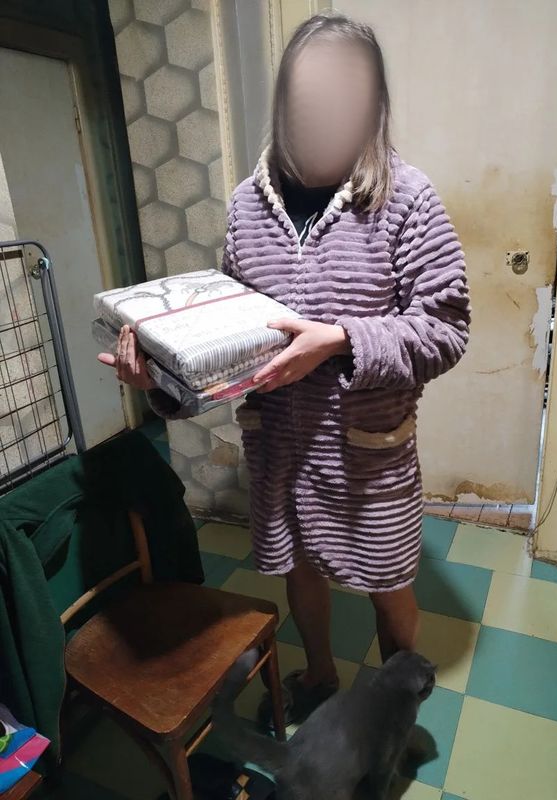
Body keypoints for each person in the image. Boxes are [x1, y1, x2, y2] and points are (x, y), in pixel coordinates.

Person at [98, 13, 470, 725]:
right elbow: (233, 341)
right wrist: (165, 383)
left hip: (368, 453)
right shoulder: (247, 206)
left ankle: (392, 715)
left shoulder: (407, 198)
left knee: (389, 582)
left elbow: (446, 330)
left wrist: (339, 340)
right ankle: (321, 675)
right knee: (300, 568)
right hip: (280, 446)